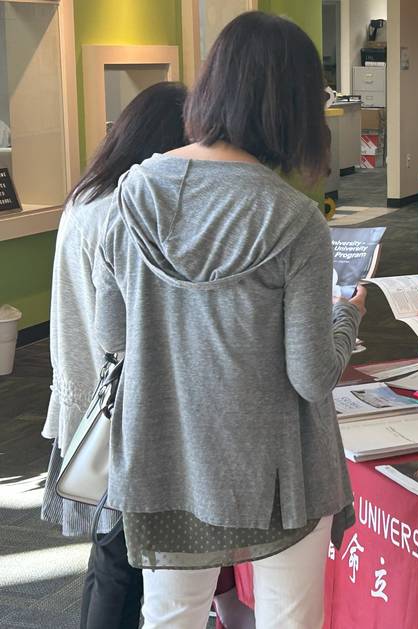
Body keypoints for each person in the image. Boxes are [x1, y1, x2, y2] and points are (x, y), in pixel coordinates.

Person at [91, 12, 365, 628]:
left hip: (164, 451)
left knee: (169, 614)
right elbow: (311, 376)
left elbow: (113, 337)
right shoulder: (294, 219)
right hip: (276, 466)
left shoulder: (132, 197)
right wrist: (344, 318)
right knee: (287, 619)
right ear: (291, 104)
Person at [39, 81, 188, 629]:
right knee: (123, 558)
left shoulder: (88, 194)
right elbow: (125, 330)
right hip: (123, 404)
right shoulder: (129, 207)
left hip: (85, 393)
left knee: (111, 554)